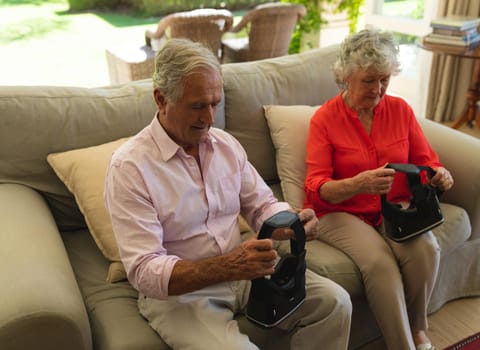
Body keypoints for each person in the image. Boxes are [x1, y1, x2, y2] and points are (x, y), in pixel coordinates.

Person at [104, 38, 351, 350]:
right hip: (183, 295)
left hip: (246, 273)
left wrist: (291, 222)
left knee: (335, 303)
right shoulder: (130, 168)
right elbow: (144, 270)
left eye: (214, 104)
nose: (209, 119)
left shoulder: (225, 145)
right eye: (197, 106)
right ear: (161, 99)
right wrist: (228, 266)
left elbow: (261, 205)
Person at [303, 28, 454, 350]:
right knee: (379, 263)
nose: (379, 89)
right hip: (340, 212)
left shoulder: (400, 110)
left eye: (384, 79)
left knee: (426, 249)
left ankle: (417, 329)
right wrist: (358, 184)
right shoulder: (324, 120)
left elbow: (427, 161)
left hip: (392, 206)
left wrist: (439, 175)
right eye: (369, 81)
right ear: (346, 77)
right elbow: (317, 189)